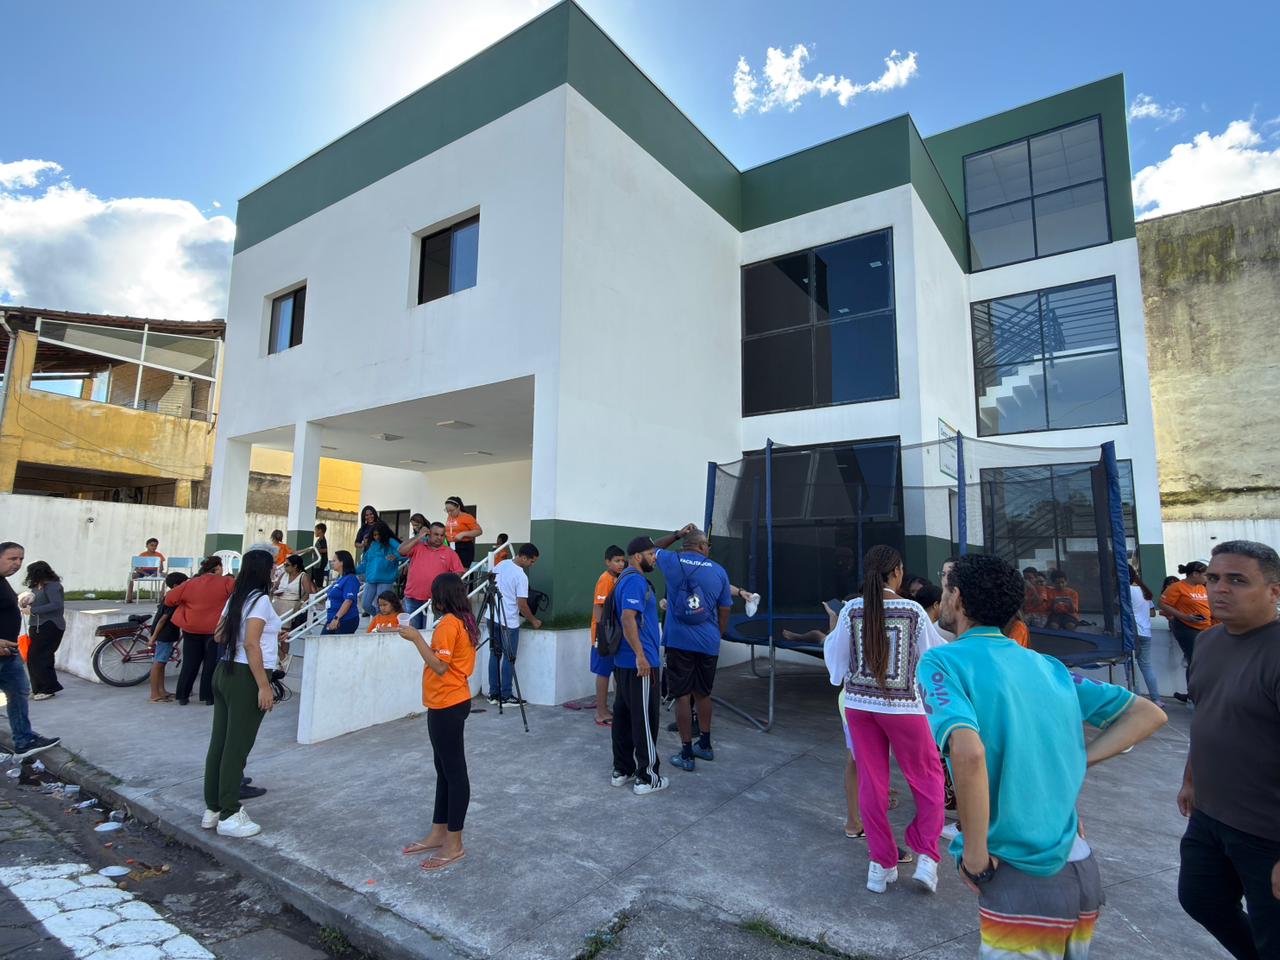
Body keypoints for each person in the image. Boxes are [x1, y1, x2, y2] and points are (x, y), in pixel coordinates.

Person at [918, 553, 1166, 959]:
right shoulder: (1048, 666)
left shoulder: (941, 661)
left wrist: (976, 855)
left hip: (1022, 877)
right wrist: (1079, 759)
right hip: (1080, 870)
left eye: (945, 589)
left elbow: (967, 753)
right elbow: (1148, 714)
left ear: (958, 598)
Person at [1176, 540, 1280, 959]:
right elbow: (1208, 713)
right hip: (1211, 815)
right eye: (1215, 578)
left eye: (1238, 580)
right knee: (1200, 899)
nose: (1220, 589)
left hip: (1267, 832)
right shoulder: (1209, 642)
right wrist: (1190, 778)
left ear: (1274, 591)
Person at [823, 544, 947, 894]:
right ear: (897, 572)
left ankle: (880, 864)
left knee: (872, 783)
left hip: (860, 708)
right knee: (927, 778)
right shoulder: (912, 610)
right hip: (905, 707)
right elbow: (934, 657)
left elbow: (835, 661)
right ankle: (926, 857)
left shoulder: (851, 610)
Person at [398, 572, 479, 870]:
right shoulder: (464, 621)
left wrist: (416, 638)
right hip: (450, 701)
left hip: (448, 702)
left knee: (453, 771)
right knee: (444, 770)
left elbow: (440, 666)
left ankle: (453, 843)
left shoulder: (448, 624)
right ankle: (439, 832)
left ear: (440, 597)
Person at [200, 548, 281, 838]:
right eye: (272, 567)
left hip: (225, 670)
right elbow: (251, 644)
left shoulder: (236, 598)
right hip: (247, 676)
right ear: (265, 571)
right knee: (237, 746)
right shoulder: (259, 600)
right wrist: (263, 685)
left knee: (220, 743)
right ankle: (230, 813)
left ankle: (214, 807)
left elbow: (220, 635)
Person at [653, 525, 732, 773]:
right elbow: (725, 608)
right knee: (703, 694)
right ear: (700, 546)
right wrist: (716, 634)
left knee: (682, 697)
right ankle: (705, 745)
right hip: (708, 642)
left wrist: (676, 535)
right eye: (707, 545)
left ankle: (686, 753)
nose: (709, 549)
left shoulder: (672, 561)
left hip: (679, 641)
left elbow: (652, 548)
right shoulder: (719, 571)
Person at [610, 536, 668, 796]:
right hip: (639, 664)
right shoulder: (634, 580)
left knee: (622, 715)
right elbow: (627, 617)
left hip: (623, 663)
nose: (655, 557)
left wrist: (676, 535)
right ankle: (647, 776)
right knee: (644, 718)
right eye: (651, 553)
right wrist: (641, 656)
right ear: (637, 557)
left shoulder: (623, 579)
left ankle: (622, 770)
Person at [0, 542, 59, 759]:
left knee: (18, 694)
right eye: (12, 559)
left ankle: (24, 740)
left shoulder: (3, 581)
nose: (17, 564)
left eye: (20, 559)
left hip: (9, 654)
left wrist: (22, 600)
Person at [165, 556, 234, 706]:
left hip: (191, 628)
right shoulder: (227, 582)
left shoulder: (191, 583)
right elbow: (239, 596)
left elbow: (169, 599)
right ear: (217, 568)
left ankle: (182, 696)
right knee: (211, 664)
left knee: (190, 663)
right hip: (215, 630)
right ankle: (209, 697)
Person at [488, 543, 542, 705]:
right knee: (509, 658)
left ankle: (493, 694)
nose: (532, 565)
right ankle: (505, 696)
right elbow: (522, 604)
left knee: (494, 655)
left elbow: (490, 582)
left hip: (492, 616)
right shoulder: (521, 576)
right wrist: (534, 620)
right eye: (532, 562)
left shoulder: (502, 564)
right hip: (509, 622)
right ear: (524, 558)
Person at [1160, 560, 1213, 703]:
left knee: (1205, 660)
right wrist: (1184, 616)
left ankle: (1200, 692)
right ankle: (1193, 695)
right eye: (1205, 575)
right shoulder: (1177, 587)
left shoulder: (1202, 587)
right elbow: (1163, 604)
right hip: (1187, 628)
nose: (1206, 578)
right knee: (1195, 660)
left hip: (1205, 627)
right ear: (1195, 574)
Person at [398, 521, 464, 629]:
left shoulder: (449, 553)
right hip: (412, 598)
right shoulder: (418, 546)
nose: (439, 538)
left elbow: (459, 572)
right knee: (411, 633)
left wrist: (445, 589)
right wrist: (419, 536)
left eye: (442, 535)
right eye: (436, 534)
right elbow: (401, 551)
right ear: (429, 533)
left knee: (431, 635)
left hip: (436, 601)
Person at [589, 545, 626, 726]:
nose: (620, 564)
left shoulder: (618, 579)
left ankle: (613, 708)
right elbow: (598, 608)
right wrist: (604, 634)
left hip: (613, 635)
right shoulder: (606, 580)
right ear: (607, 562)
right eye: (616, 561)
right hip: (604, 635)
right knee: (603, 673)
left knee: (615, 672)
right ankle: (601, 712)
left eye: (622, 560)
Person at [21, 561, 65, 700]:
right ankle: (38, 688)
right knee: (33, 658)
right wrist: (26, 602)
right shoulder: (37, 587)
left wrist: (33, 610)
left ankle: (48, 688)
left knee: (41, 657)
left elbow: (56, 605)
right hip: (37, 626)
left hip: (50, 625)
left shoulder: (52, 586)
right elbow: (38, 601)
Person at [148, 571, 188, 703]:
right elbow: (162, 620)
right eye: (184, 583)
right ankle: (155, 694)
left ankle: (162, 690)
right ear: (177, 585)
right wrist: (153, 637)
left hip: (167, 634)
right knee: (158, 663)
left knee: (162, 663)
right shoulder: (173, 599)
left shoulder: (169, 596)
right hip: (164, 634)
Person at [1127, 565, 1161, 703]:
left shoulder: (1125, 590)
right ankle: (1156, 699)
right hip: (1146, 632)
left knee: (1130, 666)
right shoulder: (1143, 590)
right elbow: (1152, 613)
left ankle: (1136, 699)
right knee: (1146, 666)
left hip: (1131, 632)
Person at [356, 521, 401, 617]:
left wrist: (396, 556)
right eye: (374, 535)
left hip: (385, 579)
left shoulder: (391, 542)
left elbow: (405, 552)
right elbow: (365, 563)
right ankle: (379, 619)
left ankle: (380, 622)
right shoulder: (372, 545)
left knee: (380, 606)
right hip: (371, 579)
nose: (376, 537)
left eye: (378, 535)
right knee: (365, 605)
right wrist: (352, 571)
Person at [324, 551, 361, 634]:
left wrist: (337, 618)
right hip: (332, 618)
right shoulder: (340, 578)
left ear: (342, 562)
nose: (332, 563)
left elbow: (348, 600)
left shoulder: (350, 579)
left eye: (334, 560)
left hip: (344, 619)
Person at [272, 554, 315, 622]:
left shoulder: (303, 576)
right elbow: (275, 587)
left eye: (287, 565)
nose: (284, 567)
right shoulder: (283, 574)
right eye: (284, 564)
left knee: (284, 626)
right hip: (278, 601)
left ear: (295, 566)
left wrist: (301, 602)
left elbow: (308, 592)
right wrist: (275, 591)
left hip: (292, 603)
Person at [443, 497, 482, 570]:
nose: (449, 513)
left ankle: (461, 581)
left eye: (451, 510)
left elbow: (479, 531)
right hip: (451, 546)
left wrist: (463, 534)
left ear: (458, 507)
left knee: (462, 570)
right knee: (451, 568)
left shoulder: (467, 517)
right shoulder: (450, 517)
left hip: (464, 547)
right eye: (447, 511)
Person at [126, 537, 166, 603]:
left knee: (167, 576)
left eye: (155, 546)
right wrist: (144, 573)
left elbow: (161, 568)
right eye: (152, 545)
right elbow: (136, 568)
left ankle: (161, 597)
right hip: (143, 572)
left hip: (155, 571)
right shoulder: (142, 555)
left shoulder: (159, 555)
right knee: (131, 576)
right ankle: (129, 597)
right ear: (147, 546)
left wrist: (157, 573)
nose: (154, 547)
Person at [312, 522, 329, 588]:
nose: (315, 532)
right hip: (316, 563)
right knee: (311, 578)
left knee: (318, 581)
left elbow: (325, 550)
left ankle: (319, 593)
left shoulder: (322, 539)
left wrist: (315, 550)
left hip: (320, 563)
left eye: (316, 530)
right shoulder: (319, 540)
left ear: (320, 530)